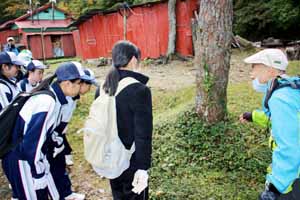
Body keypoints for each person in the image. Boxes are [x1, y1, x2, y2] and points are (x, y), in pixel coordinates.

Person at [1, 61, 85, 200]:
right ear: (67, 83)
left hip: (29, 157)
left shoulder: (54, 98)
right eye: (79, 82)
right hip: (20, 158)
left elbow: (46, 133)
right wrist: (38, 173)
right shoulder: (47, 101)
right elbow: (32, 142)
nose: (81, 86)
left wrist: (56, 141)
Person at [240, 49, 300, 200]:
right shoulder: (286, 90)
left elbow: (289, 146)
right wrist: (253, 116)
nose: (251, 73)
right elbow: (280, 120)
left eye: (255, 67)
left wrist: (277, 186)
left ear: (271, 71)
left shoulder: (280, 98)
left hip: (292, 180)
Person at [101, 41, 153, 200]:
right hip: (131, 160)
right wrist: (143, 167)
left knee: (118, 196)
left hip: (110, 157)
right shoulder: (139, 90)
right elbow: (143, 133)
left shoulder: (103, 87)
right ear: (133, 60)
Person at [48, 65, 97, 200]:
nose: (89, 89)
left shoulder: (72, 97)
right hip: (51, 137)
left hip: (57, 135)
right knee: (54, 167)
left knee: (59, 165)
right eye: (88, 85)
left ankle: (65, 193)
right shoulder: (59, 98)